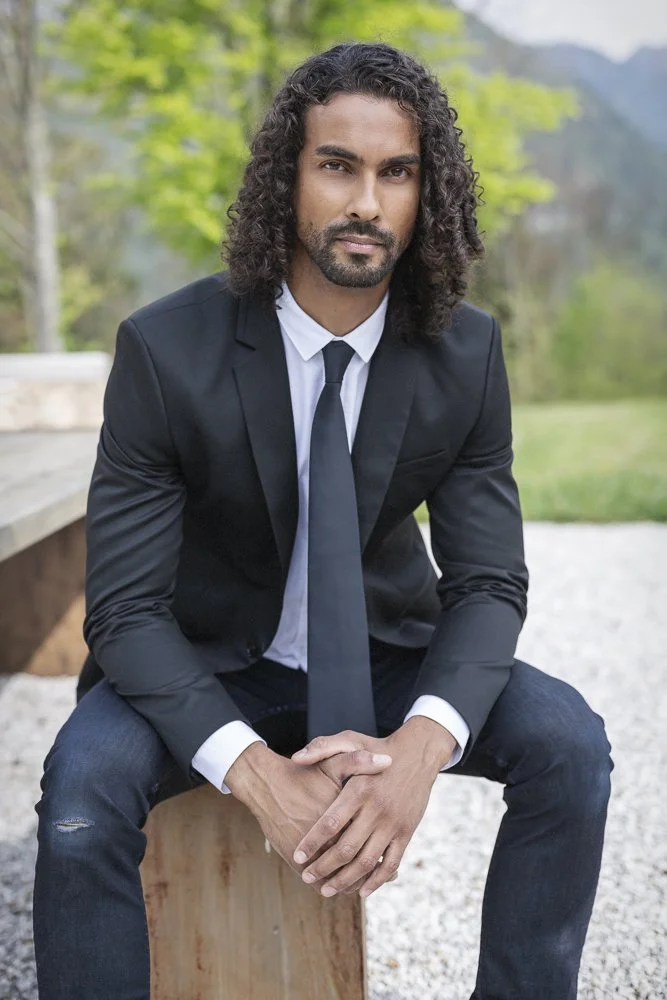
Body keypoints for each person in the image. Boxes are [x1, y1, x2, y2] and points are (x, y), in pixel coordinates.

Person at [32, 41, 613, 1000]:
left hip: (387, 651)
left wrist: (420, 752)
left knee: (569, 747)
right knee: (81, 793)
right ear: (285, 179)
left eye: (396, 173)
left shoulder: (463, 353)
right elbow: (126, 610)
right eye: (336, 165)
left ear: (427, 196)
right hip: (207, 657)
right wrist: (255, 773)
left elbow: (487, 584)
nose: (365, 203)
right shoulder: (165, 351)